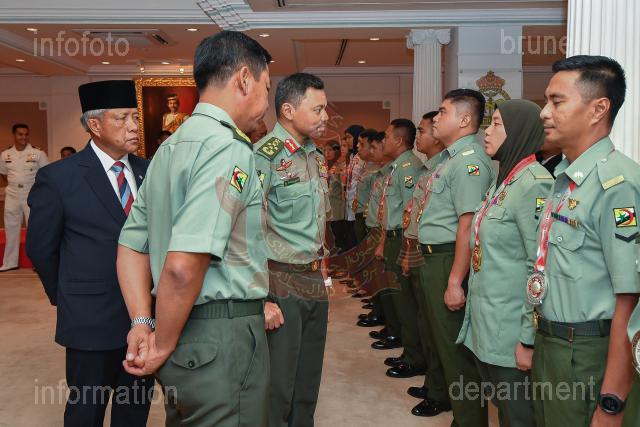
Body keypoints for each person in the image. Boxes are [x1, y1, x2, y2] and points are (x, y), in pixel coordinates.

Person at [116, 31, 272, 426]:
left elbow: (132, 245)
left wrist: (142, 322)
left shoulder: (169, 148)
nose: (266, 101)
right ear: (244, 79)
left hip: (178, 326)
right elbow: (183, 267)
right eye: (266, 87)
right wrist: (161, 344)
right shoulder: (228, 148)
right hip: (220, 334)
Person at [26, 80, 152, 426]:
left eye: (135, 117)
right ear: (94, 124)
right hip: (90, 319)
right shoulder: (59, 178)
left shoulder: (148, 171)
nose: (133, 126)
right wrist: (67, 295)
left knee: (135, 410)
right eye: (122, 118)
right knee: (86, 410)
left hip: (145, 318)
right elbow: (41, 249)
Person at [529, 55, 640, 426]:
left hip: (588, 354)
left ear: (598, 109)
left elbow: (630, 301)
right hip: (551, 343)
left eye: (557, 101)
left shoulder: (617, 184)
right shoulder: (566, 179)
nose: (544, 112)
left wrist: (612, 402)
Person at [456, 99, 554, 426]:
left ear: (519, 131)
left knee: (518, 415)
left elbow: (537, 267)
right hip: (489, 326)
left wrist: (528, 338)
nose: (487, 131)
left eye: (497, 124)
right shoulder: (505, 179)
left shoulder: (534, 183)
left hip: (511, 331)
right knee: (504, 410)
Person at [254, 72, 330, 427]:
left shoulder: (316, 156)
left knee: (308, 376)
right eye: (317, 109)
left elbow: (319, 220)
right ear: (288, 110)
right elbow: (247, 229)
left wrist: (323, 270)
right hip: (279, 278)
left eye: (325, 109)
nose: (325, 117)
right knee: (279, 382)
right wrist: (261, 296)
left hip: (313, 277)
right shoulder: (264, 156)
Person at [417, 88, 494, 426]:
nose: (436, 118)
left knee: (456, 350)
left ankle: (469, 421)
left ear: (464, 120)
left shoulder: (468, 162)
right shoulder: (451, 159)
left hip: (450, 259)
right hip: (436, 258)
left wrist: (454, 281)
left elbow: (468, 225)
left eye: (443, 111)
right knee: (442, 344)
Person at [397, 111, 449, 417]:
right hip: (420, 248)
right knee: (425, 323)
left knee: (437, 329)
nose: (419, 136)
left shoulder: (449, 167)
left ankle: (440, 390)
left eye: (423, 130)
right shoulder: (429, 169)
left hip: (436, 254)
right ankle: (433, 383)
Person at [372, 119, 426, 379]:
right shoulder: (397, 167)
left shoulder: (408, 169)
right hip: (393, 237)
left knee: (405, 303)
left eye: (387, 136)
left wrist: (406, 250)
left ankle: (415, 358)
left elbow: (409, 213)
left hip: (402, 239)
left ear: (399, 140)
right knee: (398, 298)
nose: (384, 141)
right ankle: (408, 351)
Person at [0, 123, 48, 272]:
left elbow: (46, 174)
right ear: (14, 135)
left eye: (26, 134)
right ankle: (10, 263)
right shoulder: (5, 154)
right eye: (20, 134)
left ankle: (38, 263)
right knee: (11, 229)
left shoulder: (38, 153)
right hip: (12, 194)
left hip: (31, 193)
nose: (24, 137)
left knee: (35, 229)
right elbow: (3, 174)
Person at [352, 129, 378, 243]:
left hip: (369, 219)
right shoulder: (365, 166)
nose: (357, 146)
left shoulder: (377, 170)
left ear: (372, 147)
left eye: (362, 144)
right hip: (360, 215)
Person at [325, 140, 346, 254]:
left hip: (338, 210)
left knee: (339, 240)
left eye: (330, 150)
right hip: (328, 210)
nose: (327, 153)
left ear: (337, 151)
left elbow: (344, 189)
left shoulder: (340, 167)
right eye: (325, 150)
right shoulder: (326, 167)